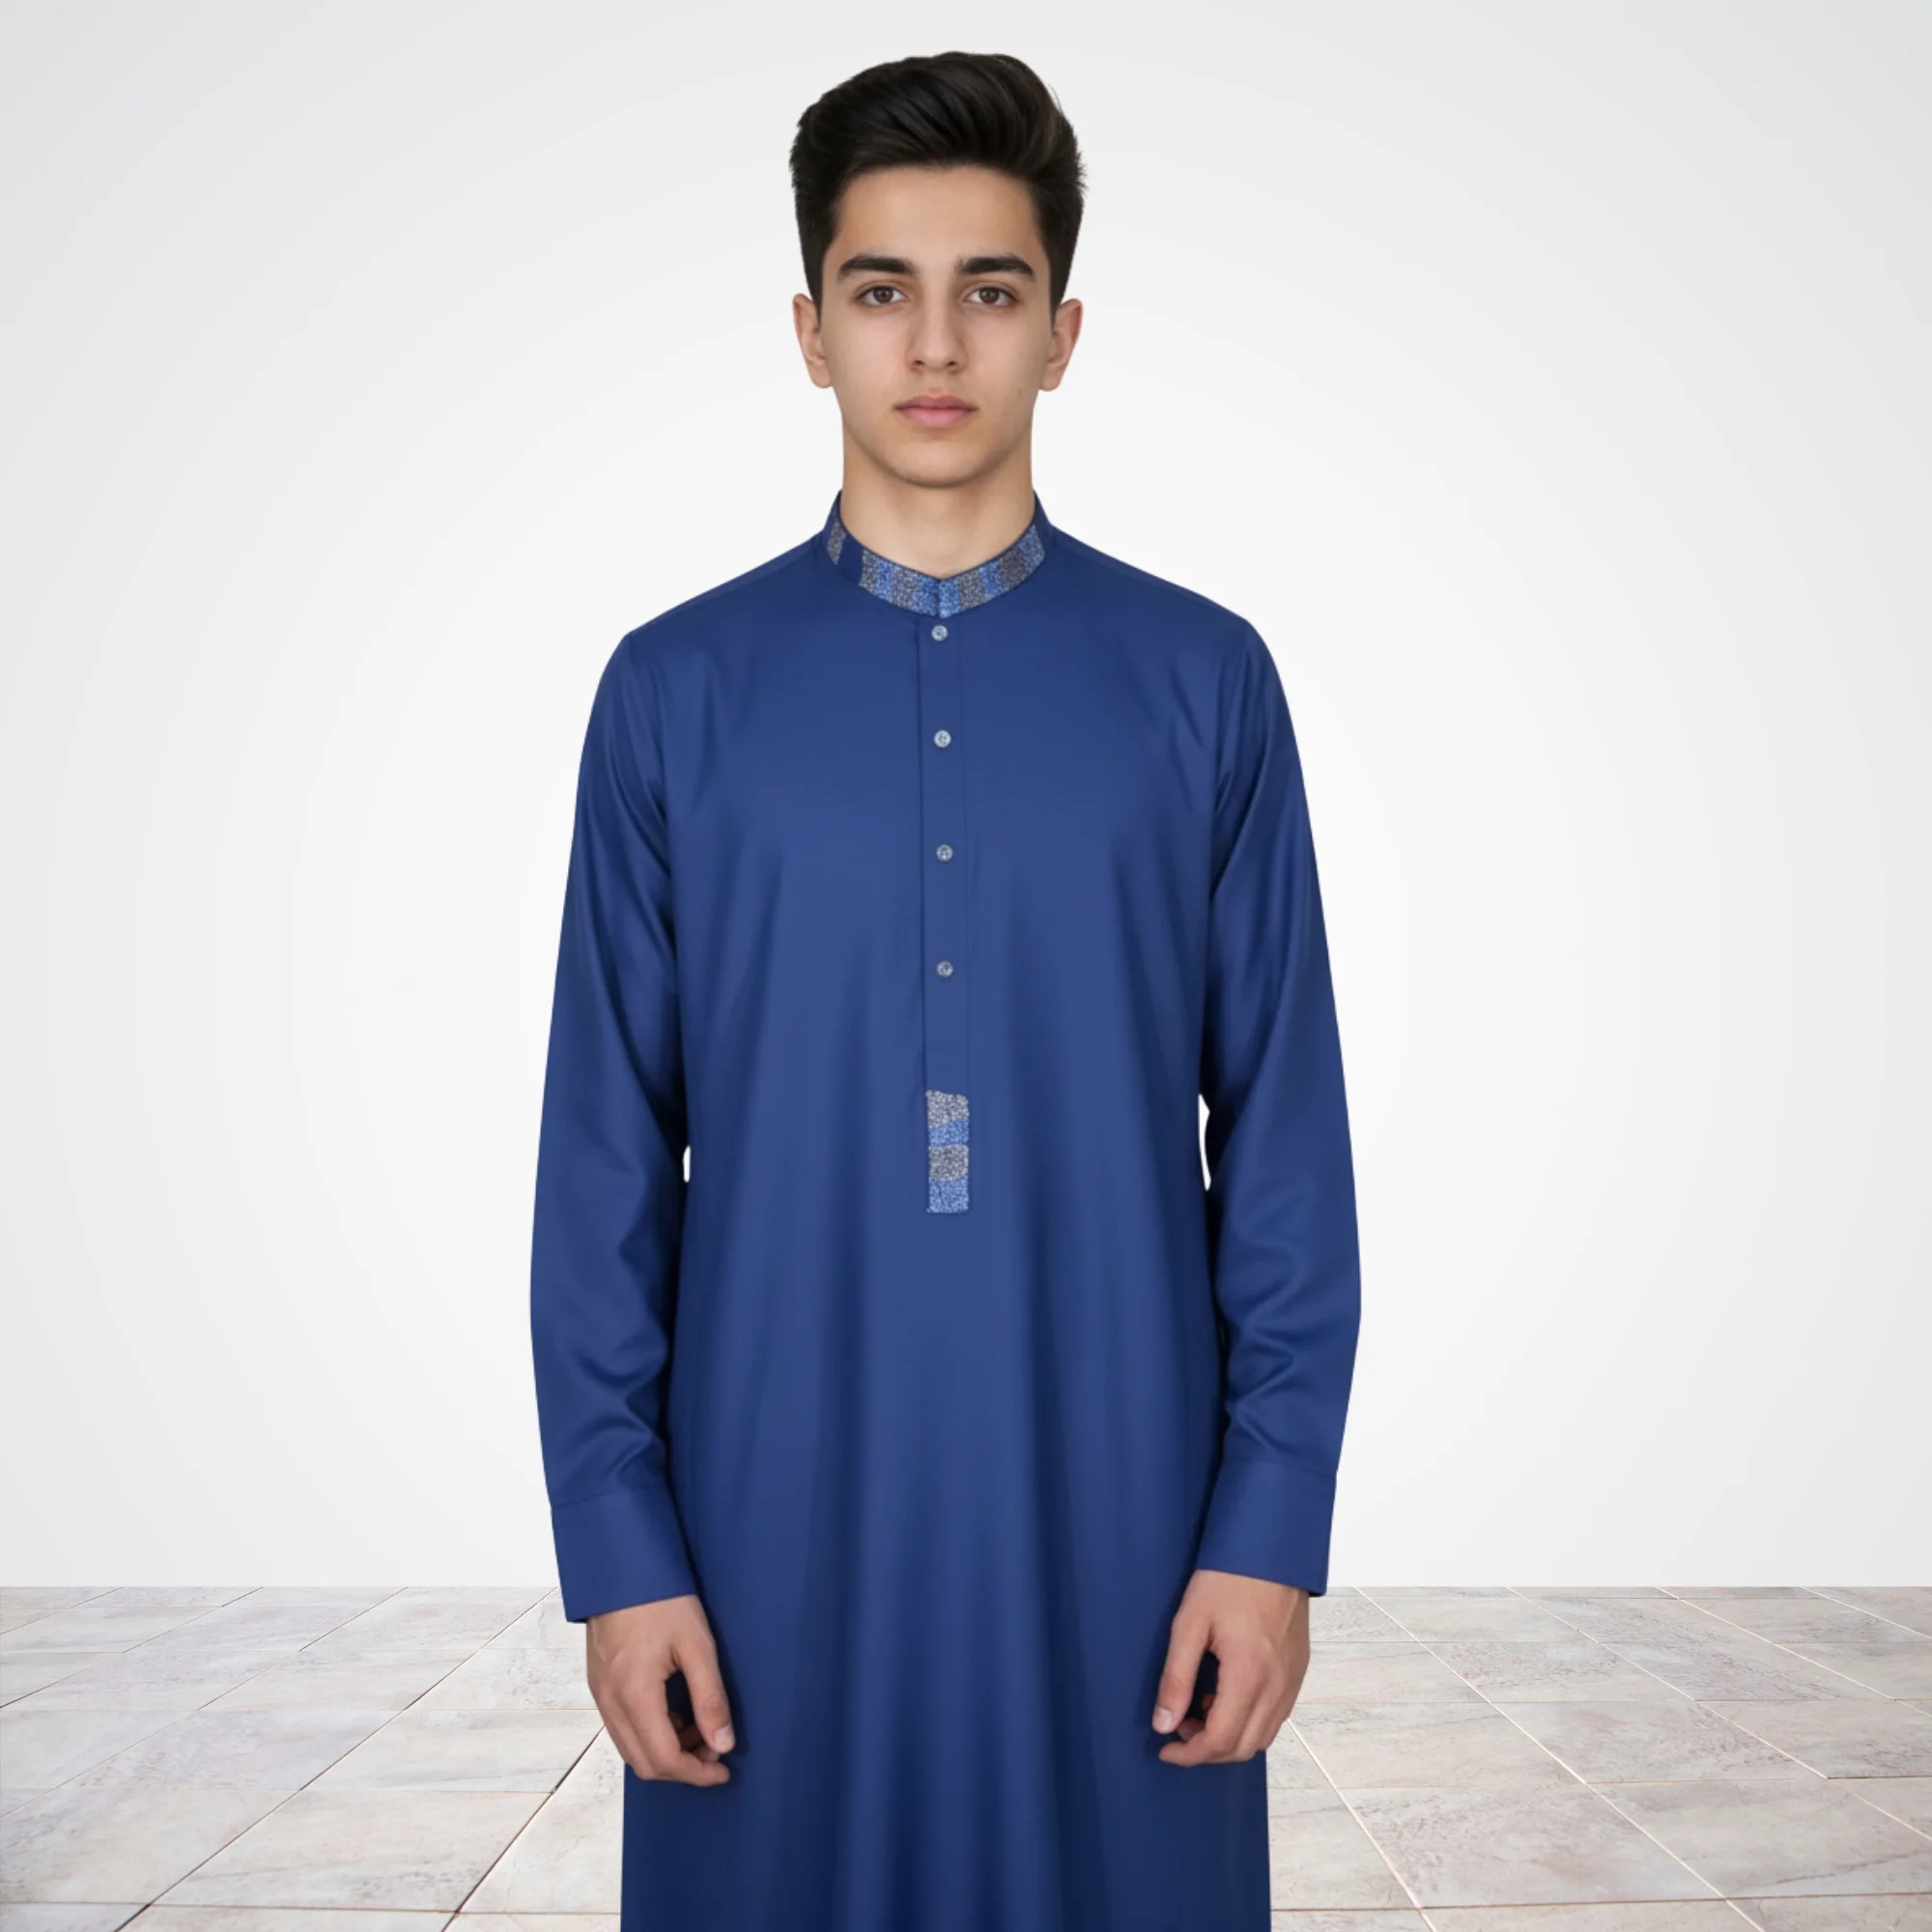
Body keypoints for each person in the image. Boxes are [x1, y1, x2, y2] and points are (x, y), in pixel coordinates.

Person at [528, 48, 1361, 1931]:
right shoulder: (675, 696)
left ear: (1060, 335)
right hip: (758, 1531)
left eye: (988, 290)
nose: (932, 343)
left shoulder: (1202, 685)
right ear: (808, 331)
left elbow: (1287, 1148)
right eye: (879, 289)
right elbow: (601, 1169)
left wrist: (1270, 1531)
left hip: (1130, 1526)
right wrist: (619, 1551)